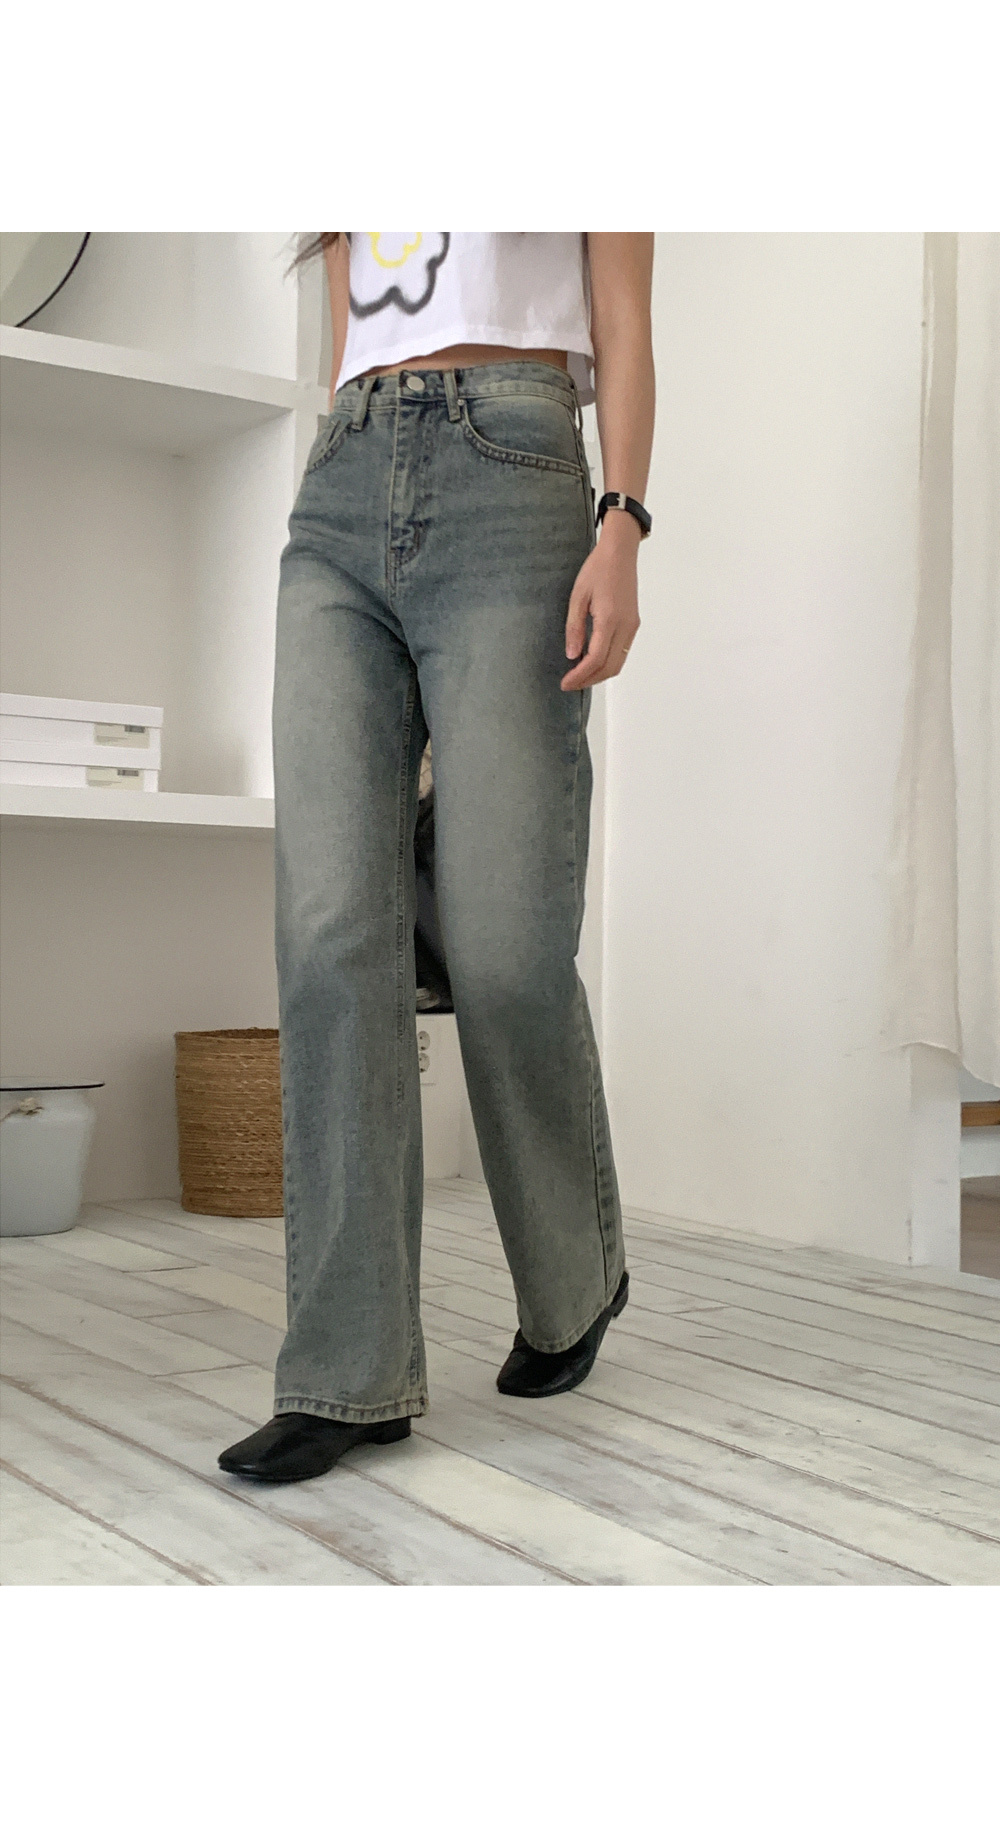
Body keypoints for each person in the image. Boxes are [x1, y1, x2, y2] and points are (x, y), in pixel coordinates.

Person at [219, 231, 656, 1484]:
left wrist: (621, 524)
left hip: (514, 466)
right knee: (330, 938)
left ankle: (575, 1276)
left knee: (506, 947)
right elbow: (355, 333)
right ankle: (346, 1377)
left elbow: (622, 320)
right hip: (343, 479)